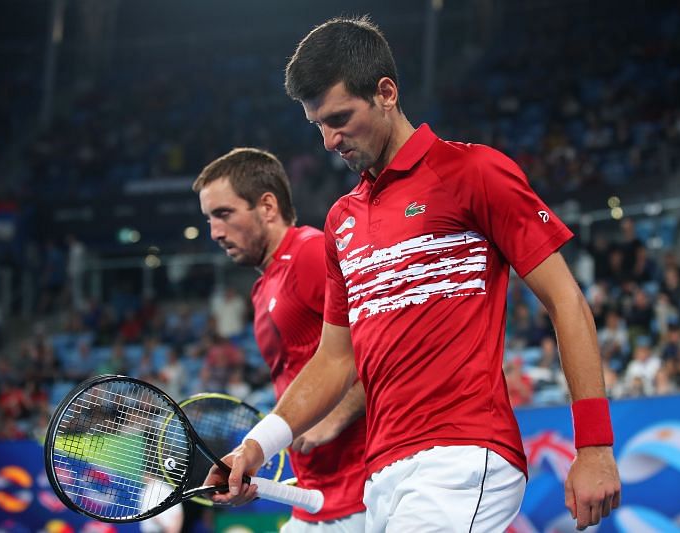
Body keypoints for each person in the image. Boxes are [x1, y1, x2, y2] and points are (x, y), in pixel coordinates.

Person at [208, 16, 620, 531]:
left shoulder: (474, 172)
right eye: (319, 125)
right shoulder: (342, 220)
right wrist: (257, 446)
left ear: (386, 92)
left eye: (340, 117)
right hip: (382, 473)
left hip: (462, 455)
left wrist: (596, 445)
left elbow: (567, 301)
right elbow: (335, 358)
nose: (330, 140)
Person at [193, 147, 367, 531]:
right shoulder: (262, 287)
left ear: (267, 206)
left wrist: (336, 415)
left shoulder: (309, 253)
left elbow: (382, 348)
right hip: (315, 496)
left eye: (223, 214)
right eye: (208, 219)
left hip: (362, 493)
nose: (215, 232)